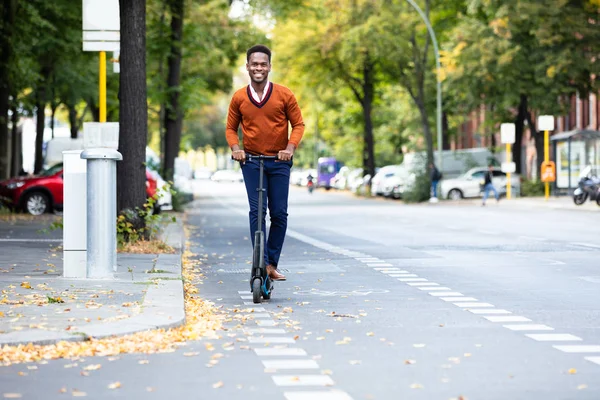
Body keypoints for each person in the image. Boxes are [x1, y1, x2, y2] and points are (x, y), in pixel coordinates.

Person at [226, 44, 305, 282]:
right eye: (254, 64)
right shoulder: (239, 97)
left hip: (279, 161)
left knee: (279, 214)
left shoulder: (284, 94)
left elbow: (298, 124)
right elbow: (231, 128)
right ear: (247, 66)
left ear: (269, 67)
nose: (258, 67)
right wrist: (236, 148)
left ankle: (270, 263)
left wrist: (289, 148)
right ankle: (259, 261)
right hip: (251, 161)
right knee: (256, 212)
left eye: (263, 64)